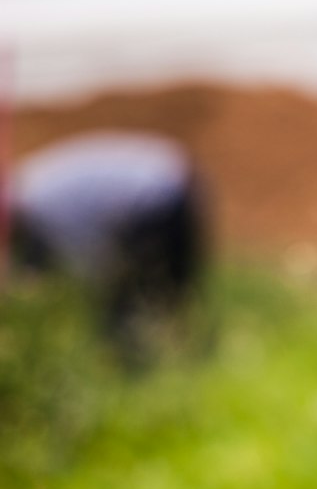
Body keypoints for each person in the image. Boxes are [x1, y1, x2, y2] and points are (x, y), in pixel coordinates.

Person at [8, 132, 208, 359]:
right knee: (168, 295)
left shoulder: (40, 207)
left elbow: (86, 256)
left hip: (156, 197)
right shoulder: (33, 182)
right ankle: (179, 355)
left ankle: (146, 362)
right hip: (168, 179)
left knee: (140, 301)